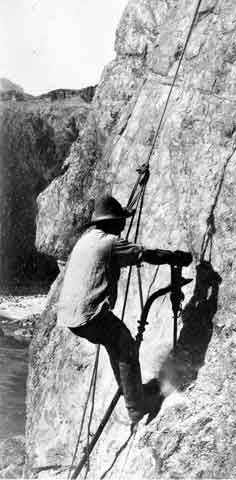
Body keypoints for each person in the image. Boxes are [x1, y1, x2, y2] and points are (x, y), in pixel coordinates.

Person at [57, 196, 192, 428]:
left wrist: (124, 212)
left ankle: (130, 392)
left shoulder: (87, 239)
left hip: (71, 316)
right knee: (125, 344)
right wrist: (175, 257)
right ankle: (137, 408)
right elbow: (147, 254)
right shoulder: (110, 242)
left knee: (116, 345)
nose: (123, 226)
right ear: (112, 223)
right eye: (120, 221)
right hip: (88, 314)